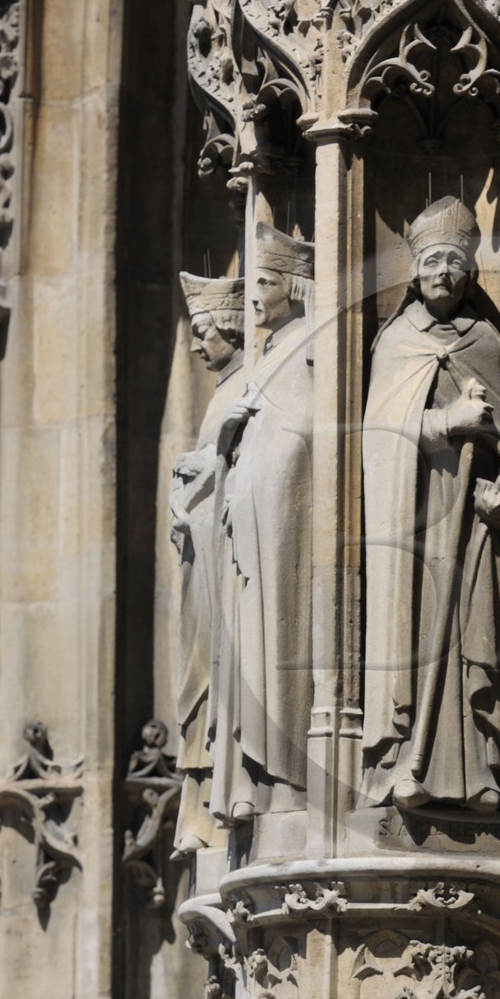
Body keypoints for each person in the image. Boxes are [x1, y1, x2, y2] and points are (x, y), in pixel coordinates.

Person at [361, 196, 500, 820]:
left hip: (470, 519)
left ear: (471, 274)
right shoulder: (395, 342)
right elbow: (378, 435)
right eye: (432, 261)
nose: (444, 274)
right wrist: (443, 422)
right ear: (413, 271)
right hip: (414, 518)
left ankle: (480, 769)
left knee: (473, 630)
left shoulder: (484, 341)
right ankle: (408, 759)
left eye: (456, 264)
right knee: (416, 632)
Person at [209, 224, 314, 825]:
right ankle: (250, 773)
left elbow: (317, 430)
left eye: (266, 281)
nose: (253, 294)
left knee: (281, 643)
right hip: (246, 526)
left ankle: (287, 775)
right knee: (251, 648)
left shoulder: (310, 342)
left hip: (283, 527)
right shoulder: (270, 350)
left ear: (296, 287)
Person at [170, 274, 245, 853]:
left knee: (215, 687)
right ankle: (198, 809)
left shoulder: (247, 386)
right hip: (202, 561)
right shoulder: (226, 390)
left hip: (227, 566)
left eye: (203, 331)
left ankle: (214, 806)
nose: (196, 345)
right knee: (198, 688)